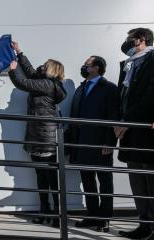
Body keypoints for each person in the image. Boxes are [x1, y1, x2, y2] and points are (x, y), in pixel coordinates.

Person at [9, 41, 67, 227]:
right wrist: (19, 53)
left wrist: (12, 69)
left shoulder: (47, 84)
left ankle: (56, 215)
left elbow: (23, 82)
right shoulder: (46, 82)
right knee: (42, 177)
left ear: (51, 70)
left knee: (49, 178)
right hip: (40, 135)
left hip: (45, 136)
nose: (41, 66)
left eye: (45, 65)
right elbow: (31, 72)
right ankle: (46, 211)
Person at [66, 56, 118, 232]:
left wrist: (110, 142)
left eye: (87, 65)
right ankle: (92, 215)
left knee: (104, 181)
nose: (84, 66)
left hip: (100, 143)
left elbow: (113, 116)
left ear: (96, 68)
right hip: (82, 143)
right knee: (87, 180)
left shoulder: (109, 88)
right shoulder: (82, 87)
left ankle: (105, 218)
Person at [115, 28, 154, 239]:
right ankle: (144, 225)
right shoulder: (129, 63)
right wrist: (118, 121)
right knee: (137, 180)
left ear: (140, 40)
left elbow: (150, 95)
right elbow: (123, 96)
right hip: (129, 131)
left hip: (145, 131)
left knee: (150, 180)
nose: (126, 43)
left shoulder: (151, 59)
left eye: (129, 39)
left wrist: (128, 121)